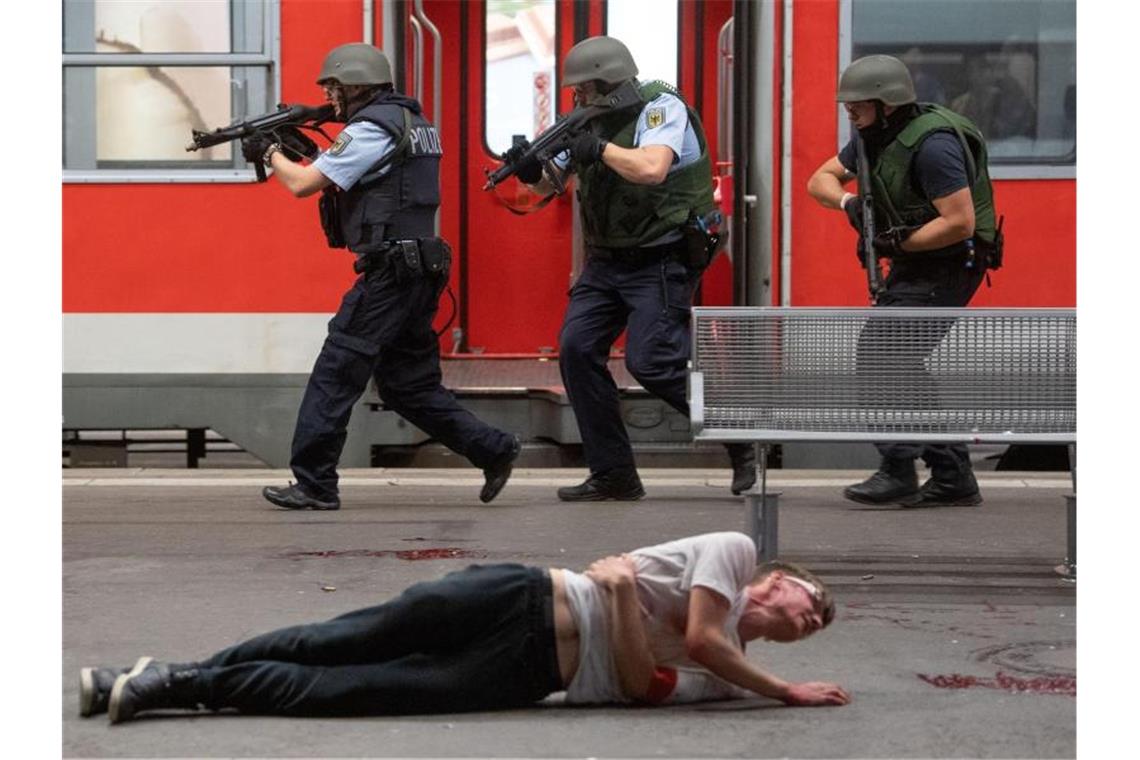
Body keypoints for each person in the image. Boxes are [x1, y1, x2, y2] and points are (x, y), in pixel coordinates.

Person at [78, 532, 850, 723]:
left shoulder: (728, 682)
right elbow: (699, 644)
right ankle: (169, 678)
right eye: (808, 605)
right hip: (515, 599)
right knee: (338, 639)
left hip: (525, 673)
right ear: (773, 583)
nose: (805, 621)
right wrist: (786, 693)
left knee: (349, 693)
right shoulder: (733, 552)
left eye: (812, 628)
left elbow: (644, 685)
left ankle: (161, 683)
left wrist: (619, 599)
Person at [240, 43, 520, 511]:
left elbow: (303, 183)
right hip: (419, 268)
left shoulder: (371, 128)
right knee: (407, 386)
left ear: (354, 86)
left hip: (392, 273)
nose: (329, 97)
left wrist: (270, 151)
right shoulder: (414, 122)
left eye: (333, 87)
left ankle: (314, 483)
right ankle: (493, 448)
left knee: (336, 369)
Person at [517, 35, 758, 502]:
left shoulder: (660, 107)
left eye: (584, 90)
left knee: (652, 360)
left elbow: (651, 168)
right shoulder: (586, 122)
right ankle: (613, 474)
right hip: (607, 260)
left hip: (661, 255)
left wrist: (598, 147)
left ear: (607, 83)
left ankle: (738, 434)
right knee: (576, 348)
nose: (577, 98)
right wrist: (532, 169)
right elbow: (553, 181)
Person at [807, 54, 1002, 508]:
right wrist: (849, 204)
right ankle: (951, 475)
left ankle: (899, 467)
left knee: (883, 353)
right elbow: (820, 179)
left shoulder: (933, 147)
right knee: (897, 358)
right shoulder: (873, 136)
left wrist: (898, 246)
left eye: (857, 105)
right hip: (918, 262)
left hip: (951, 263)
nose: (849, 112)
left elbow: (959, 223)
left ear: (887, 103)